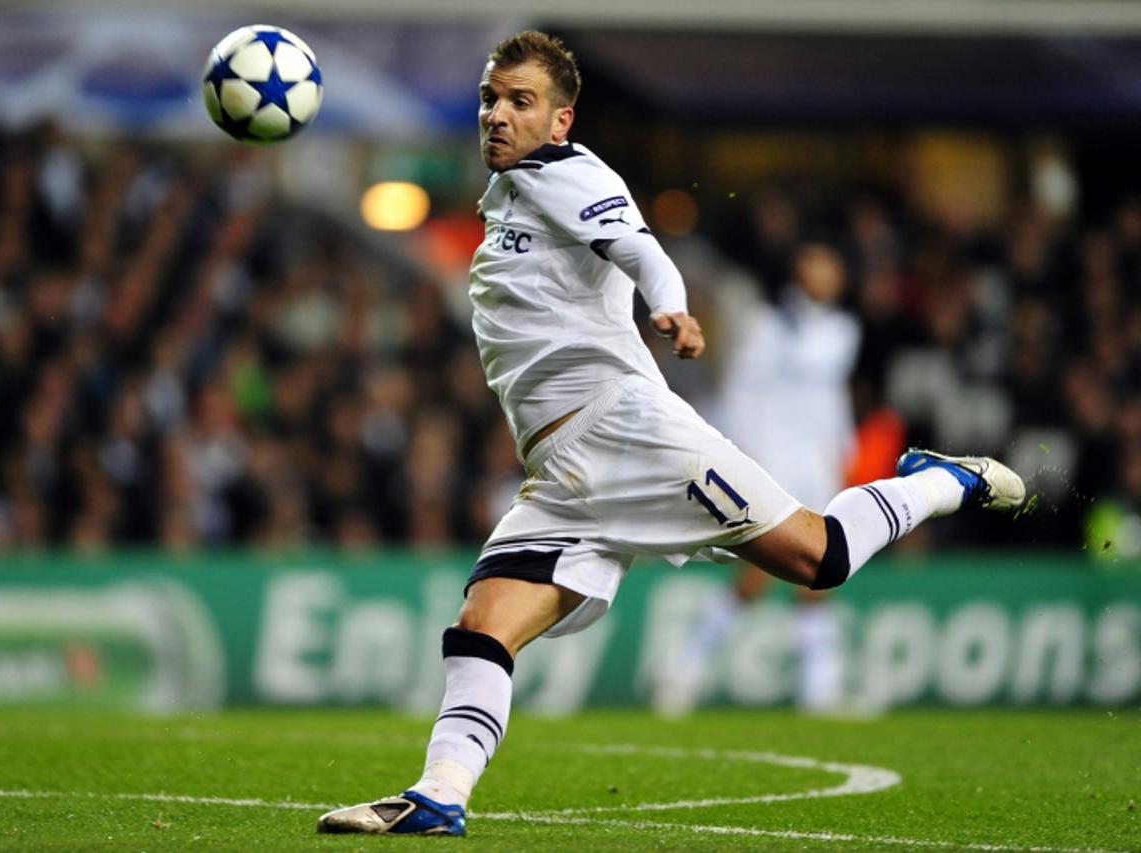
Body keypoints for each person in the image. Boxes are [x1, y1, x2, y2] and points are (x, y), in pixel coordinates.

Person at [317, 30, 1025, 837]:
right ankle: (440, 794)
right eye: (489, 98)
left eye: (520, 101)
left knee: (817, 559)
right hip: (562, 473)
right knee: (482, 623)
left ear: (560, 120)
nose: (497, 115)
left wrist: (670, 305)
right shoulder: (508, 195)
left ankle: (941, 480)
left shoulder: (566, 171)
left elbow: (639, 247)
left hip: (629, 433)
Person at [653, 243, 861, 716]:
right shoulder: (769, 325)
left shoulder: (843, 329)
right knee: (760, 575)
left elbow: (833, 397)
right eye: (818, 264)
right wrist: (746, 453)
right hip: (775, 461)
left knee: (822, 573)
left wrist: (843, 450)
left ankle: (819, 691)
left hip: (817, 463)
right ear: (800, 269)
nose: (826, 274)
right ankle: (684, 669)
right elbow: (742, 391)